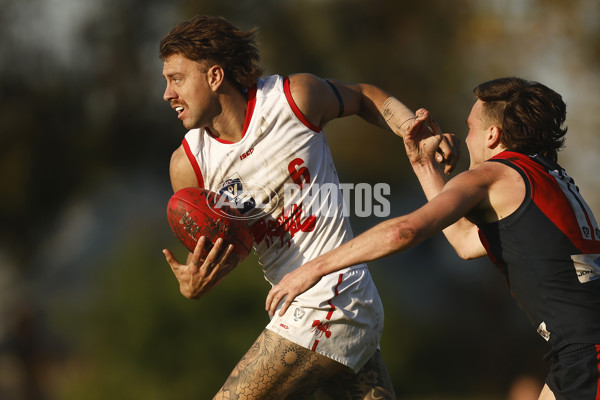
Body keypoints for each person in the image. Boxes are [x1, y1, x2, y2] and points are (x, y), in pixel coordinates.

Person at [159, 15, 457, 399]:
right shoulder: (188, 166)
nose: (167, 93)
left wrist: (411, 128)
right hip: (301, 311)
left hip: (335, 300)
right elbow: (218, 252)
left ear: (215, 77)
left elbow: (364, 94)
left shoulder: (292, 98)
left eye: (177, 78)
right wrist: (194, 283)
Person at [266, 77, 600, 400]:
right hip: (578, 354)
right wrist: (424, 164)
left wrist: (313, 269)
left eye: (471, 128)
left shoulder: (491, 174)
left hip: (587, 356)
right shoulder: (548, 180)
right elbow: (465, 244)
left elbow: (404, 231)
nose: (466, 138)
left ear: (493, 134)